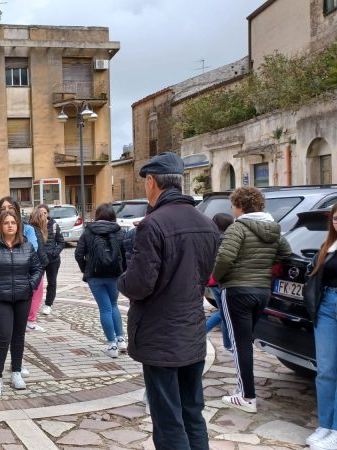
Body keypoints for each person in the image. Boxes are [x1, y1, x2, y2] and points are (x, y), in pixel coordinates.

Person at [118, 152, 218, 450]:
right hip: (192, 331)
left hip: (161, 335)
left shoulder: (153, 224)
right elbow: (206, 275)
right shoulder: (206, 223)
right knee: (192, 412)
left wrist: (122, 278)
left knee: (168, 419)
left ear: (152, 182)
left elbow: (138, 285)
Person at [213, 187, 291, 413]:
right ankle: (245, 390)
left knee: (240, 344)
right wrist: (263, 267)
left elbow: (225, 257)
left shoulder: (237, 227)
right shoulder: (273, 228)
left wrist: (218, 278)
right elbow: (285, 253)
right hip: (262, 290)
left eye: (233, 205)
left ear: (239, 206)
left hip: (237, 290)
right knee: (245, 341)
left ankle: (247, 396)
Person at [303, 198, 337, 450]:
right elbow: (312, 275)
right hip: (326, 309)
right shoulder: (329, 246)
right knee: (325, 371)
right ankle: (325, 425)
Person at [0, 210, 43, 397]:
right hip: (1, 298)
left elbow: (37, 268)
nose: (10, 226)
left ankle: (16, 372)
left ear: (18, 225)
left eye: (13, 223)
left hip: (23, 296)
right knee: (4, 336)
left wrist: (30, 285)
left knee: (18, 337)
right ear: (0, 226)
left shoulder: (27, 246)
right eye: (6, 223)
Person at [76, 203, 127, 358]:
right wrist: (123, 270)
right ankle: (121, 340)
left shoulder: (88, 232)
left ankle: (112, 346)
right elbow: (126, 253)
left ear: (97, 215)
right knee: (113, 305)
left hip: (95, 275)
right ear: (113, 216)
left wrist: (86, 269)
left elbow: (78, 254)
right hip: (115, 275)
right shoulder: (119, 231)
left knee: (105, 308)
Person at [205, 213, 234, 352]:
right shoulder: (226, 240)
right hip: (220, 281)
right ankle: (200, 333)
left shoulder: (211, 238)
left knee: (225, 313)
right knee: (225, 313)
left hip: (212, 280)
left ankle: (228, 344)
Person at [36, 204, 65, 316]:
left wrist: (55, 252)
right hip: (39, 259)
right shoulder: (35, 226)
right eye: (40, 213)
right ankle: (35, 304)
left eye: (45, 213)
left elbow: (61, 242)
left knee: (52, 282)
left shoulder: (54, 225)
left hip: (53, 260)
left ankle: (48, 304)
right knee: (37, 282)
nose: (43, 215)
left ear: (48, 213)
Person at [26, 208, 50, 332]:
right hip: (36, 267)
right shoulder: (37, 231)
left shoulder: (28, 229)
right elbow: (40, 251)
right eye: (44, 216)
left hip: (28, 266)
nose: (46, 219)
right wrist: (46, 262)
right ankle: (30, 321)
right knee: (37, 294)